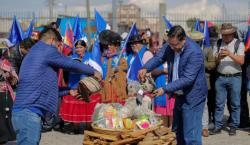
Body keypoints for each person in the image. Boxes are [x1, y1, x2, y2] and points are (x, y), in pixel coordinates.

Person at [11, 27, 101, 145]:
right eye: (59, 46)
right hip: (28, 113)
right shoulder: (46, 49)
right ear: (53, 41)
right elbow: (69, 63)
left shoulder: (35, 53)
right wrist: (93, 71)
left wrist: (69, 91)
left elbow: (46, 89)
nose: (60, 50)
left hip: (26, 113)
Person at [138, 25, 207, 145]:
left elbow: (188, 79)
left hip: (193, 97)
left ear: (183, 40)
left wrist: (165, 89)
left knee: (191, 137)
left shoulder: (194, 52)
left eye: (175, 45)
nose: (172, 48)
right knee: (178, 132)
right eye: (170, 44)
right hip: (179, 95)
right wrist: (145, 68)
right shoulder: (170, 45)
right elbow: (158, 58)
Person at [60, 40, 101, 134]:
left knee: (88, 106)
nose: (78, 49)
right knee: (76, 107)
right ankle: (75, 127)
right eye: (77, 48)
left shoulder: (90, 57)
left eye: (81, 47)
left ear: (85, 48)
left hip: (87, 86)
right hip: (74, 83)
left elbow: (97, 69)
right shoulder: (71, 58)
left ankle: (88, 127)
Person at [210, 23, 245, 136]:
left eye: (227, 34)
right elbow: (214, 62)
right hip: (220, 77)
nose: (225, 37)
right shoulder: (218, 43)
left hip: (235, 77)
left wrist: (229, 54)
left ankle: (234, 126)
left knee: (235, 103)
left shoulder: (239, 44)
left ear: (232, 34)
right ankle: (218, 126)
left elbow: (241, 61)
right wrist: (219, 57)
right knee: (219, 103)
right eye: (223, 34)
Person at [188, 31, 216, 137]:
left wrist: (201, 63)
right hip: (190, 82)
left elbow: (212, 65)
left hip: (204, 81)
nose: (196, 43)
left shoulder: (207, 49)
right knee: (191, 105)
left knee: (204, 105)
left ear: (201, 41)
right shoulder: (187, 50)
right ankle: (193, 126)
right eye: (194, 41)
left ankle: (204, 127)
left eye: (197, 41)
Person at [100, 30, 128, 103]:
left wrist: (117, 69)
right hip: (105, 88)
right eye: (108, 45)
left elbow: (125, 67)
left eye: (111, 44)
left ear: (116, 46)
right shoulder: (105, 57)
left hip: (116, 89)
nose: (108, 46)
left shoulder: (120, 57)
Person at [0, 42, 18, 145]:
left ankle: (6, 136)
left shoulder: (6, 63)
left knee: (6, 115)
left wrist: (10, 76)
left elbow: (15, 79)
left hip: (5, 93)